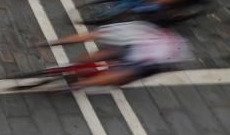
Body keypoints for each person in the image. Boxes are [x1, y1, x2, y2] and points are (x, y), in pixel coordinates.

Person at [47, 21, 192, 89]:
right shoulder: (173, 53)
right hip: (139, 56)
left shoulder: (160, 34)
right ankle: (83, 83)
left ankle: (78, 69)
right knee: (120, 77)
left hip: (135, 50)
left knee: (105, 56)